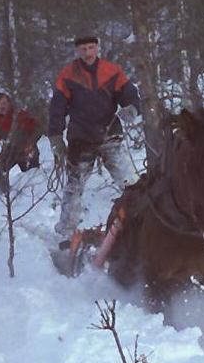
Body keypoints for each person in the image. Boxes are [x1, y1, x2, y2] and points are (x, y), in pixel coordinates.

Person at [48, 35, 141, 238]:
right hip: (80, 139)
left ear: (98, 48)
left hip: (110, 135)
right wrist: (55, 135)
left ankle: (140, 225)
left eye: (91, 48)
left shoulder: (112, 70)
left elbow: (129, 93)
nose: (87, 53)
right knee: (73, 188)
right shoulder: (67, 75)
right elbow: (57, 107)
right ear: (77, 51)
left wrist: (132, 108)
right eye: (83, 49)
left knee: (132, 185)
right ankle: (65, 234)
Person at [0, 93, 41, 192]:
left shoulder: (21, 114)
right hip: (10, 151)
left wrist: (31, 142)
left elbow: (38, 128)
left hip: (26, 150)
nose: (2, 107)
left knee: (33, 176)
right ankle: (4, 197)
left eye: (3, 103)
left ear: (9, 103)